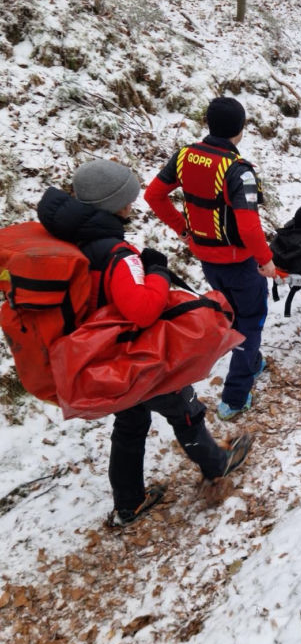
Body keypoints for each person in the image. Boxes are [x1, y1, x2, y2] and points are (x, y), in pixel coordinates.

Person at [37, 160, 252, 527]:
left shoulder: (69, 238)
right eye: (128, 199)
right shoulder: (118, 253)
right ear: (116, 204)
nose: (132, 205)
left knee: (131, 420)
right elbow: (141, 310)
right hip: (131, 352)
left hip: (100, 352)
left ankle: (129, 502)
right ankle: (217, 466)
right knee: (184, 407)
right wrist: (153, 270)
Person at [144, 97, 276, 420]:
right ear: (241, 131)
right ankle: (234, 397)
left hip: (207, 258)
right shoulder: (238, 171)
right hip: (241, 263)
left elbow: (153, 195)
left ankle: (252, 362)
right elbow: (248, 224)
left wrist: (183, 231)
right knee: (251, 320)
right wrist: (266, 260)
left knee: (233, 312)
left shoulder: (185, 156)